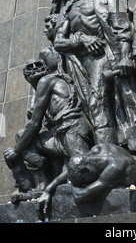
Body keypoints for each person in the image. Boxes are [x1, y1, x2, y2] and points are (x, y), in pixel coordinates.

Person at [53, 0, 136, 145]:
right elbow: (58, 42)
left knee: (97, 102)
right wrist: (82, 38)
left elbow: (122, 28)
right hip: (78, 63)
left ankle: (105, 152)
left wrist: (125, 56)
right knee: (87, 108)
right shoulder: (69, 7)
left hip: (104, 55)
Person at [3, 56, 92, 212]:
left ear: (46, 69)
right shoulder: (44, 90)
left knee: (82, 167)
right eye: (30, 67)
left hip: (73, 129)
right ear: (25, 75)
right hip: (59, 135)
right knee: (22, 136)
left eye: (38, 65)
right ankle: (40, 187)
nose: (35, 68)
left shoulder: (47, 80)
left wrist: (15, 151)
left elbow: (34, 125)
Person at [67, 142, 136, 205]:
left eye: (83, 181)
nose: (85, 184)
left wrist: (73, 185)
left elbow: (79, 197)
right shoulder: (98, 148)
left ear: (85, 170)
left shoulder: (114, 167)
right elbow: (74, 167)